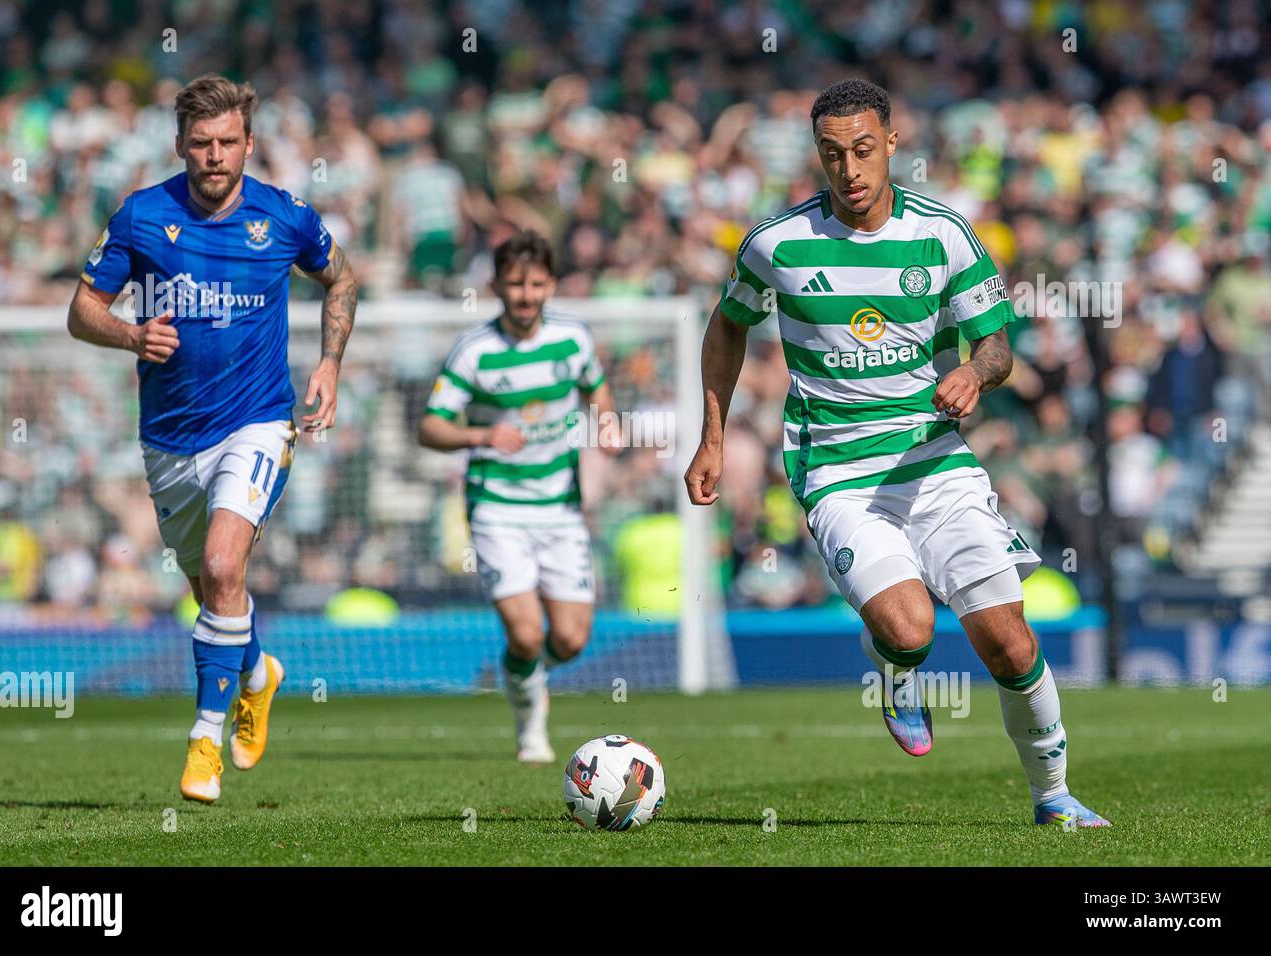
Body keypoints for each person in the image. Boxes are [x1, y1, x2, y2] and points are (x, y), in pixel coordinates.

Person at [684, 79, 1110, 828]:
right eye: (832, 155)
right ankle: (897, 669)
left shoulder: (943, 233)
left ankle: (1055, 798)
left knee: (1007, 641)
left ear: (891, 145)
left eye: (863, 151)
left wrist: (974, 373)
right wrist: (713, 437)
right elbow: (727, 327)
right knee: (910, 628)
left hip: (936, 465)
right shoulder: (775, 244)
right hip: (839, 475)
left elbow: (998, 345)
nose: (849, 170)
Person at [67, 74, 358, 803]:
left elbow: (342, 281)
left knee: (226, 566)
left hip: (258, 421)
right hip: (168, 439)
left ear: (250, 144)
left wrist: (328, 363)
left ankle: (203, 744)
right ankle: (257, 673)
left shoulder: (284, 217)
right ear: (180, 146)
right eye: (201, 143)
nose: (215, 156)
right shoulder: (141, 217)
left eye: (229, 142)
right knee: (212, 589)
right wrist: (130, 333)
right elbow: (80, 311)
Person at [419, 230, 620, 762]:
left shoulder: (574, 338)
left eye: (535, 284)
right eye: (515, 284)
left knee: (572, 640)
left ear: (550, 283)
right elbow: (431, 428)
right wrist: (481, 435)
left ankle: (517, 674)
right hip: (497, 509)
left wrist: (607, 419)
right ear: (496, 286)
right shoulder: (474, 352)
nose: (526, 295)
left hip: (560, 507)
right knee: (527, 634)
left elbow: (596, 382)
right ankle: (530, 723)